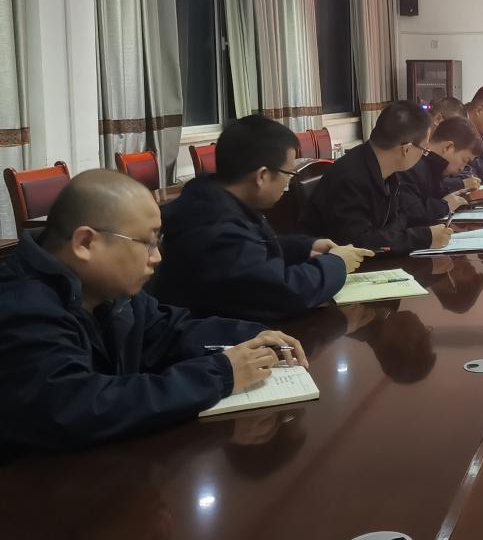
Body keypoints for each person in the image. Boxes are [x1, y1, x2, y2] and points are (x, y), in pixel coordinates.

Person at [0, 169, 307, 455]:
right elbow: (81, 406)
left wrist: (254, 336)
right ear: (86, 242)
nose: (157, 257)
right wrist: (221, 374)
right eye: (146, 243)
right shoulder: (22, 308)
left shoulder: (107, 290)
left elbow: (170, 330)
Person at [154, 115, 371, 321]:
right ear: (262, 176)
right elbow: (283, 293)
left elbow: (254, 248)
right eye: (289, 174)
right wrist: (336, 264)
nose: (287, 184)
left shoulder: (214, 199)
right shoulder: (214, 228)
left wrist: (306, 248)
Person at [302, 101, 450, 252]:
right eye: (424, 149)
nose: (423, 154)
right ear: (406, 149)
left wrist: (394, 236)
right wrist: (423, 238)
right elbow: (358, 242)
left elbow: (399, 219)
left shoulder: (387, 172)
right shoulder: (350, 177)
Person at [404, 117, 483, 220]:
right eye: (464, 160)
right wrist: (444, 206)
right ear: (448, 147)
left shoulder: (434, 167)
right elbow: (409, 213)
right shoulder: (412, 166)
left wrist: (454, 197)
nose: (462, 168)